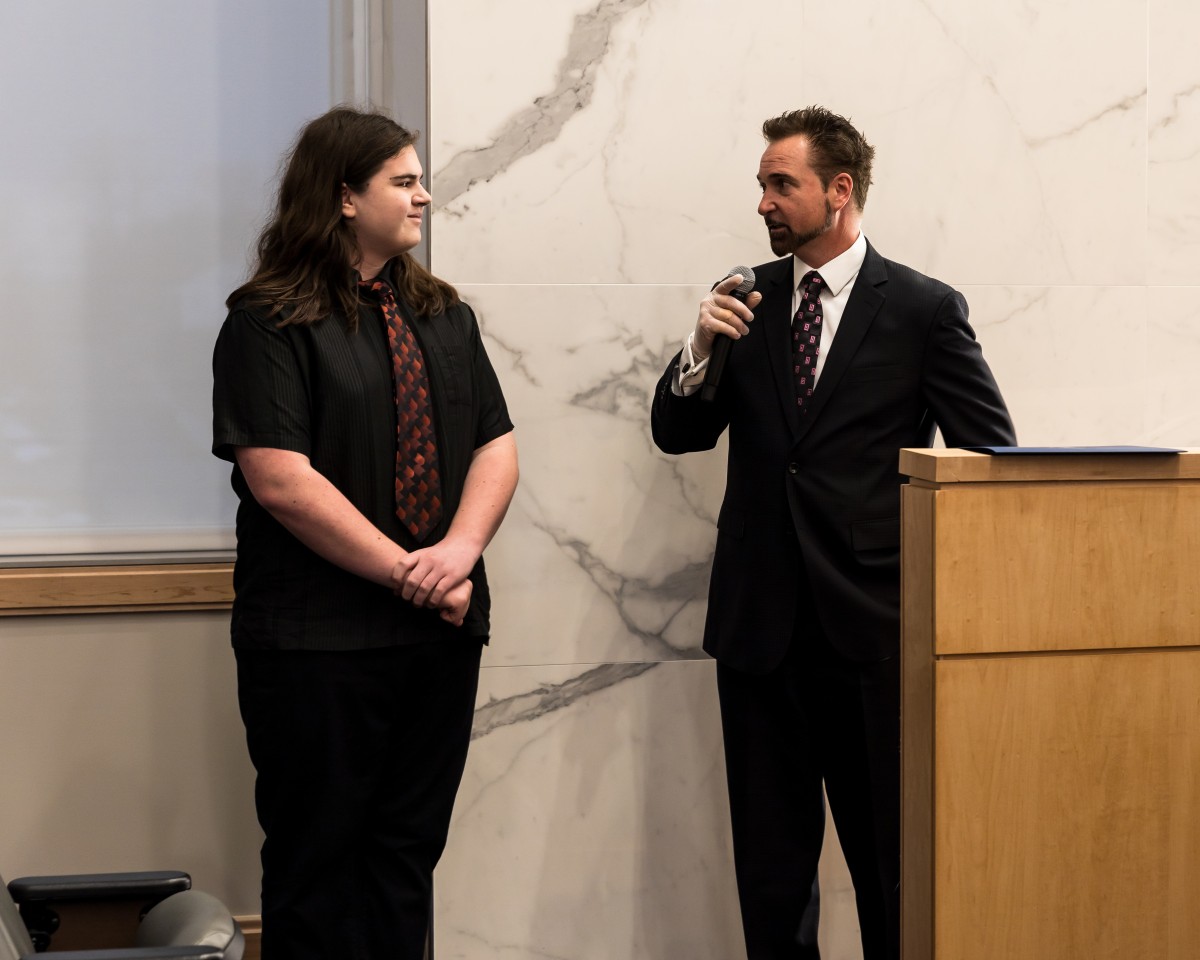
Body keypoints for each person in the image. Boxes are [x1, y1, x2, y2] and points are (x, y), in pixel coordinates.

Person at [650, 106, 1016, 960]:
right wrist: (700, 349)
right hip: (758, 631)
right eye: (762, 185)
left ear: (839, 191)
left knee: (891, 867)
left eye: (783, 185)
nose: (765, 203)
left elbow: (989, 456)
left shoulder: (923, 309)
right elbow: (678, 433)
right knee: (772, 877)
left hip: (873, 637)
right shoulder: (743, 297)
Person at [211, 106, 518, 960]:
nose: (425, 195)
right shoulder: (266, 321)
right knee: (320, 866)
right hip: (318, 643)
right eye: (404, 181)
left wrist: (456, 556)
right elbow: (281, 479)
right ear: (345, 197)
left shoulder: (443, 314)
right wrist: (406, 572)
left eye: (421, 178)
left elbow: (497, 444)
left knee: (405, 859)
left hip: (439, 633)